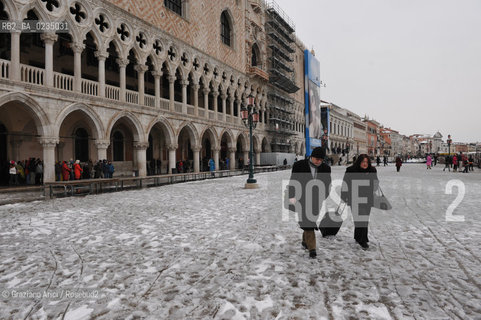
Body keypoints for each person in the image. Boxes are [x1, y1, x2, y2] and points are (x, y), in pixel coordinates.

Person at [287, 147, 332, 258]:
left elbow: (327, 184)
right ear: (311, 156)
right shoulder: (299, 165)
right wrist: (291, 196)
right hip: (301, 198)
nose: (319, 161)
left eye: (321, 160)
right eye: (317, 159)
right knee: (308, 223)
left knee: (310, 221)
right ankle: (312, 249)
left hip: (317, 200)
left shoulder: (326, 168)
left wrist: (323, 196)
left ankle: (304, 240)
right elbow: (293, 181)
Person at [341, 154, 379, 249]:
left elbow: (376, 183)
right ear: (359, 162)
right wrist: (344, 196)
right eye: (363, 162)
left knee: (364, 218)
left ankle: (359, 237)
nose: (365, 164)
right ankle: (362, 240)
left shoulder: (372, 170)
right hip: (354, 198)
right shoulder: (351, 170)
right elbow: (345, 184)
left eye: (366, 162)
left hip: (368, 198)